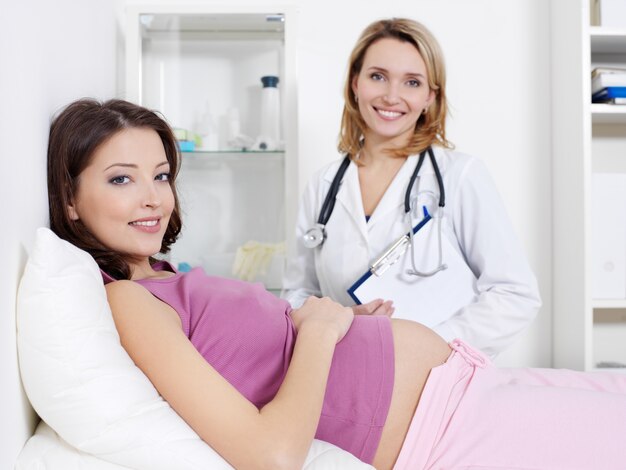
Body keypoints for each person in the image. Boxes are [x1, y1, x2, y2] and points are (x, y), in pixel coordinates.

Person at [47, 97, 626, 470]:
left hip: (467, 387)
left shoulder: (166, 278)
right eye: (122, 179)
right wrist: (321, 333)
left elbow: (264, 360)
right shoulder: (128, 301)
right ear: (70, 200)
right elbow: (270, 455)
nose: (153, 197)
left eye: (161, 175)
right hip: (446, 431)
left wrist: (341, 328)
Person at [282, 18, 541, 357]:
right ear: (355, 83)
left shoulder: (459, 176)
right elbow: (297, 296)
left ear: (430, 97)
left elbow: (515, 294)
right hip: (349, 371)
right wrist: (341, 318)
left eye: (412, 82)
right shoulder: (324, 185)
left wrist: (427, 347)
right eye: (378, 76)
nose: (392, 96)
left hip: (442, 380)